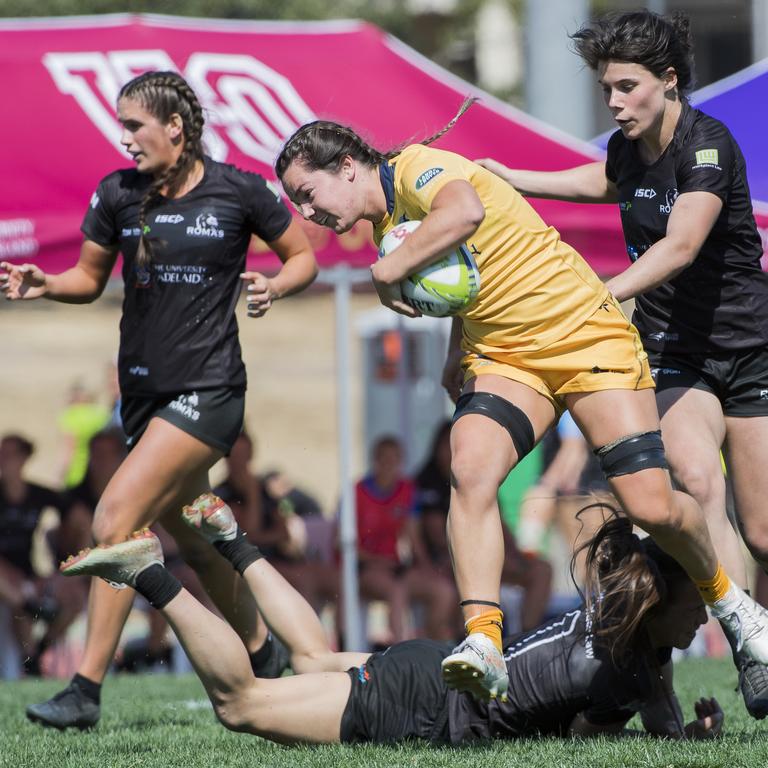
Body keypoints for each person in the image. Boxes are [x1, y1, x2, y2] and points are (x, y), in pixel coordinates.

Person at [271, 103, 768, 704]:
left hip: (585, 334)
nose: (307, 211)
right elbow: (476, 278)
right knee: (469, 469)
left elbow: (466, 210)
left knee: (653, 506)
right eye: (297, 202)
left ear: (348, 167)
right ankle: (483, 641)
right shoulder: (388, 225)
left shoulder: (417, 170)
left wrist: (390, 269)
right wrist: (455, 353)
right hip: (507, 356)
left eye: (307, 192)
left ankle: (733, 603)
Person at [1, 70, 317, 729]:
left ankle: (85, 689)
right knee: (200, 543)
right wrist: (44, 283)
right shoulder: (118, 193)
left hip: (210, 392)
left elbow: (302, 256)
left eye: (134, 125)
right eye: (120, 126)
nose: (124, 139)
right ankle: (264, 656)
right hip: (144, 401)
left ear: (175, 126)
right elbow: (88, 279)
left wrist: (275, 288)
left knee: (114, 521)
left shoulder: (239, 190)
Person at [475, 9, 768, 717]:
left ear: (668, 82)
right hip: (675, 355)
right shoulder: (628, 149)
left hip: (748, 349)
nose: (613, 101)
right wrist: (514, 178)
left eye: (626, 87)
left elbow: (682, 243)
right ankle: (750, 647)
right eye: (606, 88)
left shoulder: (708, 146)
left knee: (761, 530)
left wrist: (601, 294)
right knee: (695, 479)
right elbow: (603, 182)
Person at [59, 494, 723, 744]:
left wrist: (686, 732)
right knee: (241, 705)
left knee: (315, 660)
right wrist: (670, 737)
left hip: (440, 666)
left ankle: (233, 542)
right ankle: (148, 571)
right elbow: (590, 741)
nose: (703, 619)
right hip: (427, 705)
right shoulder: (614, 669)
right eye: (697, 604)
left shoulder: (623, 628)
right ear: (658, 601)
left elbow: (658, 716)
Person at [416, 420, 552, 632]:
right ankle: (461, 639)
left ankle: (526, 635)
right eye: (447, 446)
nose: (452, 452)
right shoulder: (428, 483)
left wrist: (515, 554)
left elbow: (499, 523)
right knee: (456, 583)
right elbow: (439, 537)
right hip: (447, 561)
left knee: (542, 570)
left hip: (483, 555)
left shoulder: (477, 478)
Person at [354, 435, 456, 644]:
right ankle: (401, 651)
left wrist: (427, 566)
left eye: (394, 459)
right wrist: (376, 561)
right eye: (384, 459)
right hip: (365, 569)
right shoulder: (357, 492)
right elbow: (346, 545)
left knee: (443, 590)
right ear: (375, 460)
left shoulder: (407, 491)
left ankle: (435, 646)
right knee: (396, 591)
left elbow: (413, 535)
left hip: (396, 569)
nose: (389, 465)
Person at [0, 434, 80, 676]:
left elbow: (80, 519)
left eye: (9, 454)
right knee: (17, 602)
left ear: (24, 458)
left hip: (27, 576)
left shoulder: (37, 494)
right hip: (7, 579)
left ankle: (38, 653)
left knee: (73, 599)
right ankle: (28, 608)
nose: (3, 459)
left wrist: (64, 568)